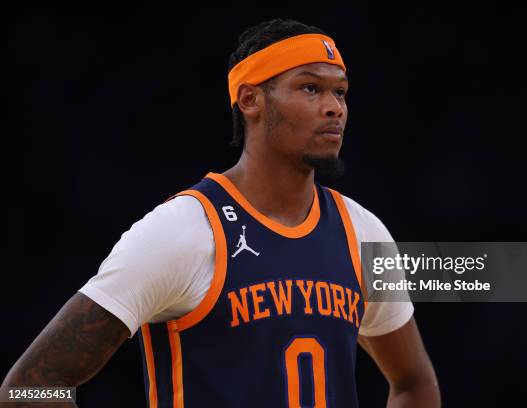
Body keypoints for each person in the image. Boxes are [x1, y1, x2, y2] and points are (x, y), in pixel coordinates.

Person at [2, 18, 440, 407]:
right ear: (250, 100)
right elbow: (30, 386)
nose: (334, 108)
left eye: (340, 92)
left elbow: (414, 384)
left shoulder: (362, 231)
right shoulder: (182, 230)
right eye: (310, 88)